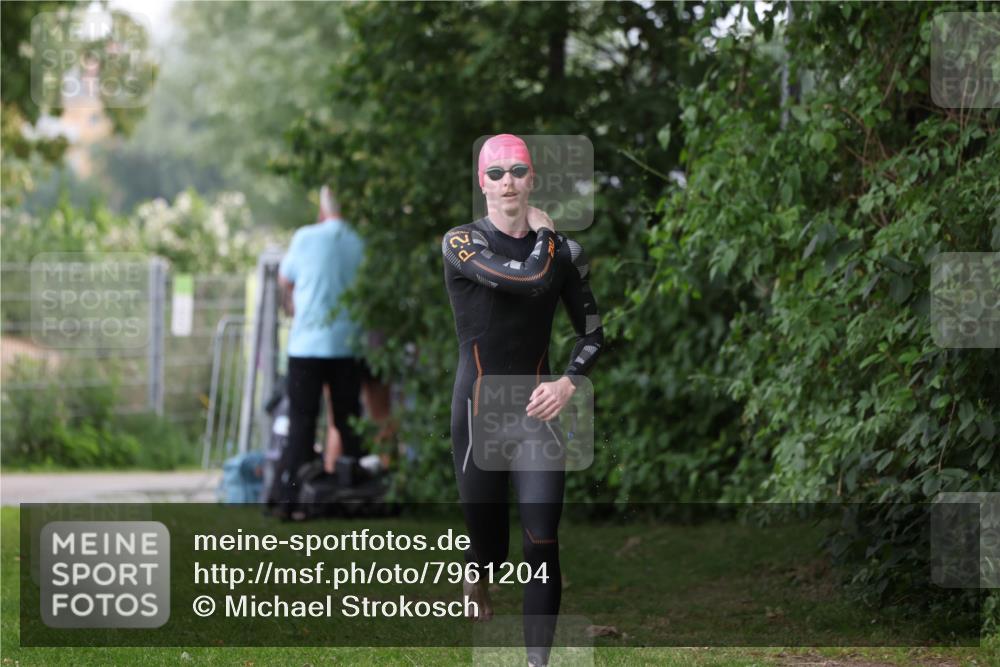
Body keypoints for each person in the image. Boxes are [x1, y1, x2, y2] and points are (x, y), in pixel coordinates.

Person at [441, 134, 603, 667]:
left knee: (541, 539)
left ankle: (537, 662)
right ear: (481, 183)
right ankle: (477, 569)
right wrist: (548, 238)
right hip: (478, 414)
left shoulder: (563, 252)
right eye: (495, 173)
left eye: (517, 171)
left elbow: (595, 332)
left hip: (536, 414)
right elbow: (528, 279)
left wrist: (567, 383)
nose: (506, 181)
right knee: (492, 546)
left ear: (532, 179)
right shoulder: (463, 243)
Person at [275, 186, 366, 519]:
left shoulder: (305, 237)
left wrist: (293, 309)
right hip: (346, 344)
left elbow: (285, 281)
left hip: (306, 346)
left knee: (301, 422)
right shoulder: (360, 241)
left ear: (322, 208)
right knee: (348, 422)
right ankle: (356, 494)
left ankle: (288, 500)